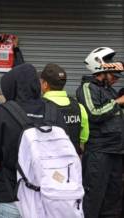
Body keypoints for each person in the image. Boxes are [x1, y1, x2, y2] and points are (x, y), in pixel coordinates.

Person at [0, 63, 45, 218]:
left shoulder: (2, 114)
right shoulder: (53, 112)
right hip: (45, 200)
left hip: (10, 198)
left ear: (11, 86)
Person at [76, 47, 124, 218]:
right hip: (99, 152)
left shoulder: (109, 90)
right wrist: (118, 102)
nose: (116, 80)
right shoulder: (87, 87)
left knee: (114, 198)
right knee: (93, 197)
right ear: (100, 70)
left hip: (116, 151)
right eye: (114, 76)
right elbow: (94, 113)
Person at [38, 63, 89, 154]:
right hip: (71, 163)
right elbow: (84, 137)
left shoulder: (39, 107)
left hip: (47, 163)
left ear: (45, 84)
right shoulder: (78, 106)